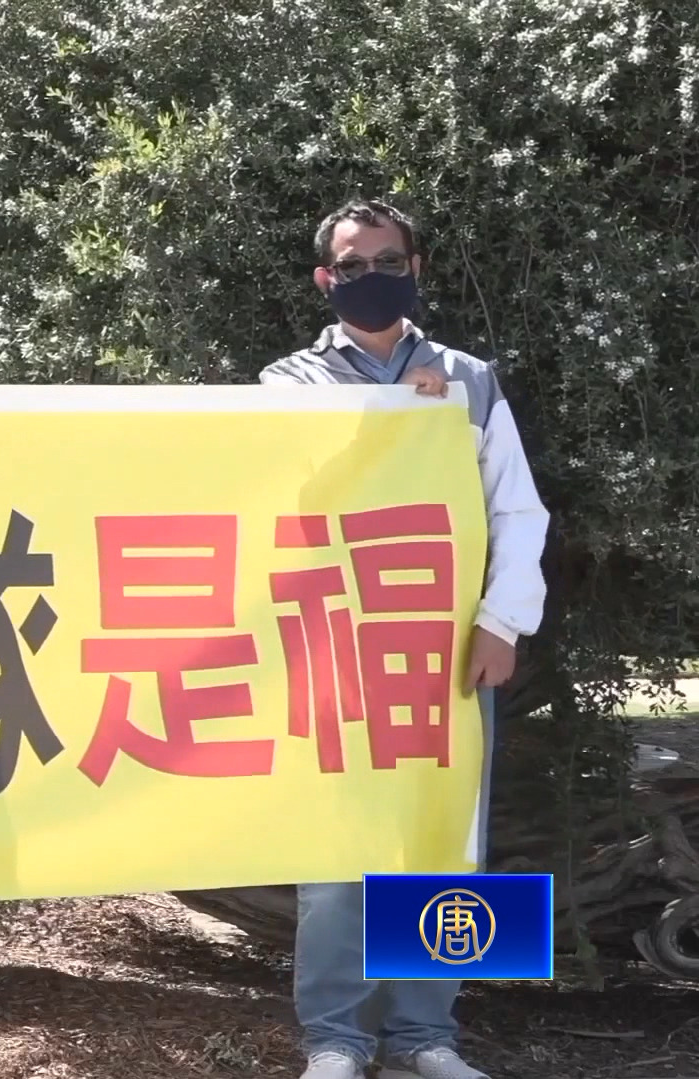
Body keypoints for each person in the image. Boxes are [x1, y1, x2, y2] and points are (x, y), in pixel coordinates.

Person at [259, 198, 550, 1079]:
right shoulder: (287, 381)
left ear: (415, 267)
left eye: (387, 260)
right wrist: (398, 417)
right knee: (335, 844)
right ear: (325, 278)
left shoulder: (469, 377)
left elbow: (516, 508)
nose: (371, 276)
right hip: (337, 645)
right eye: (352, 265)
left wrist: (500, 622)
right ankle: (334, 1038)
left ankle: (428, 1033)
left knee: (442, 833)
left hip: (446, 653)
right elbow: (286, 492)